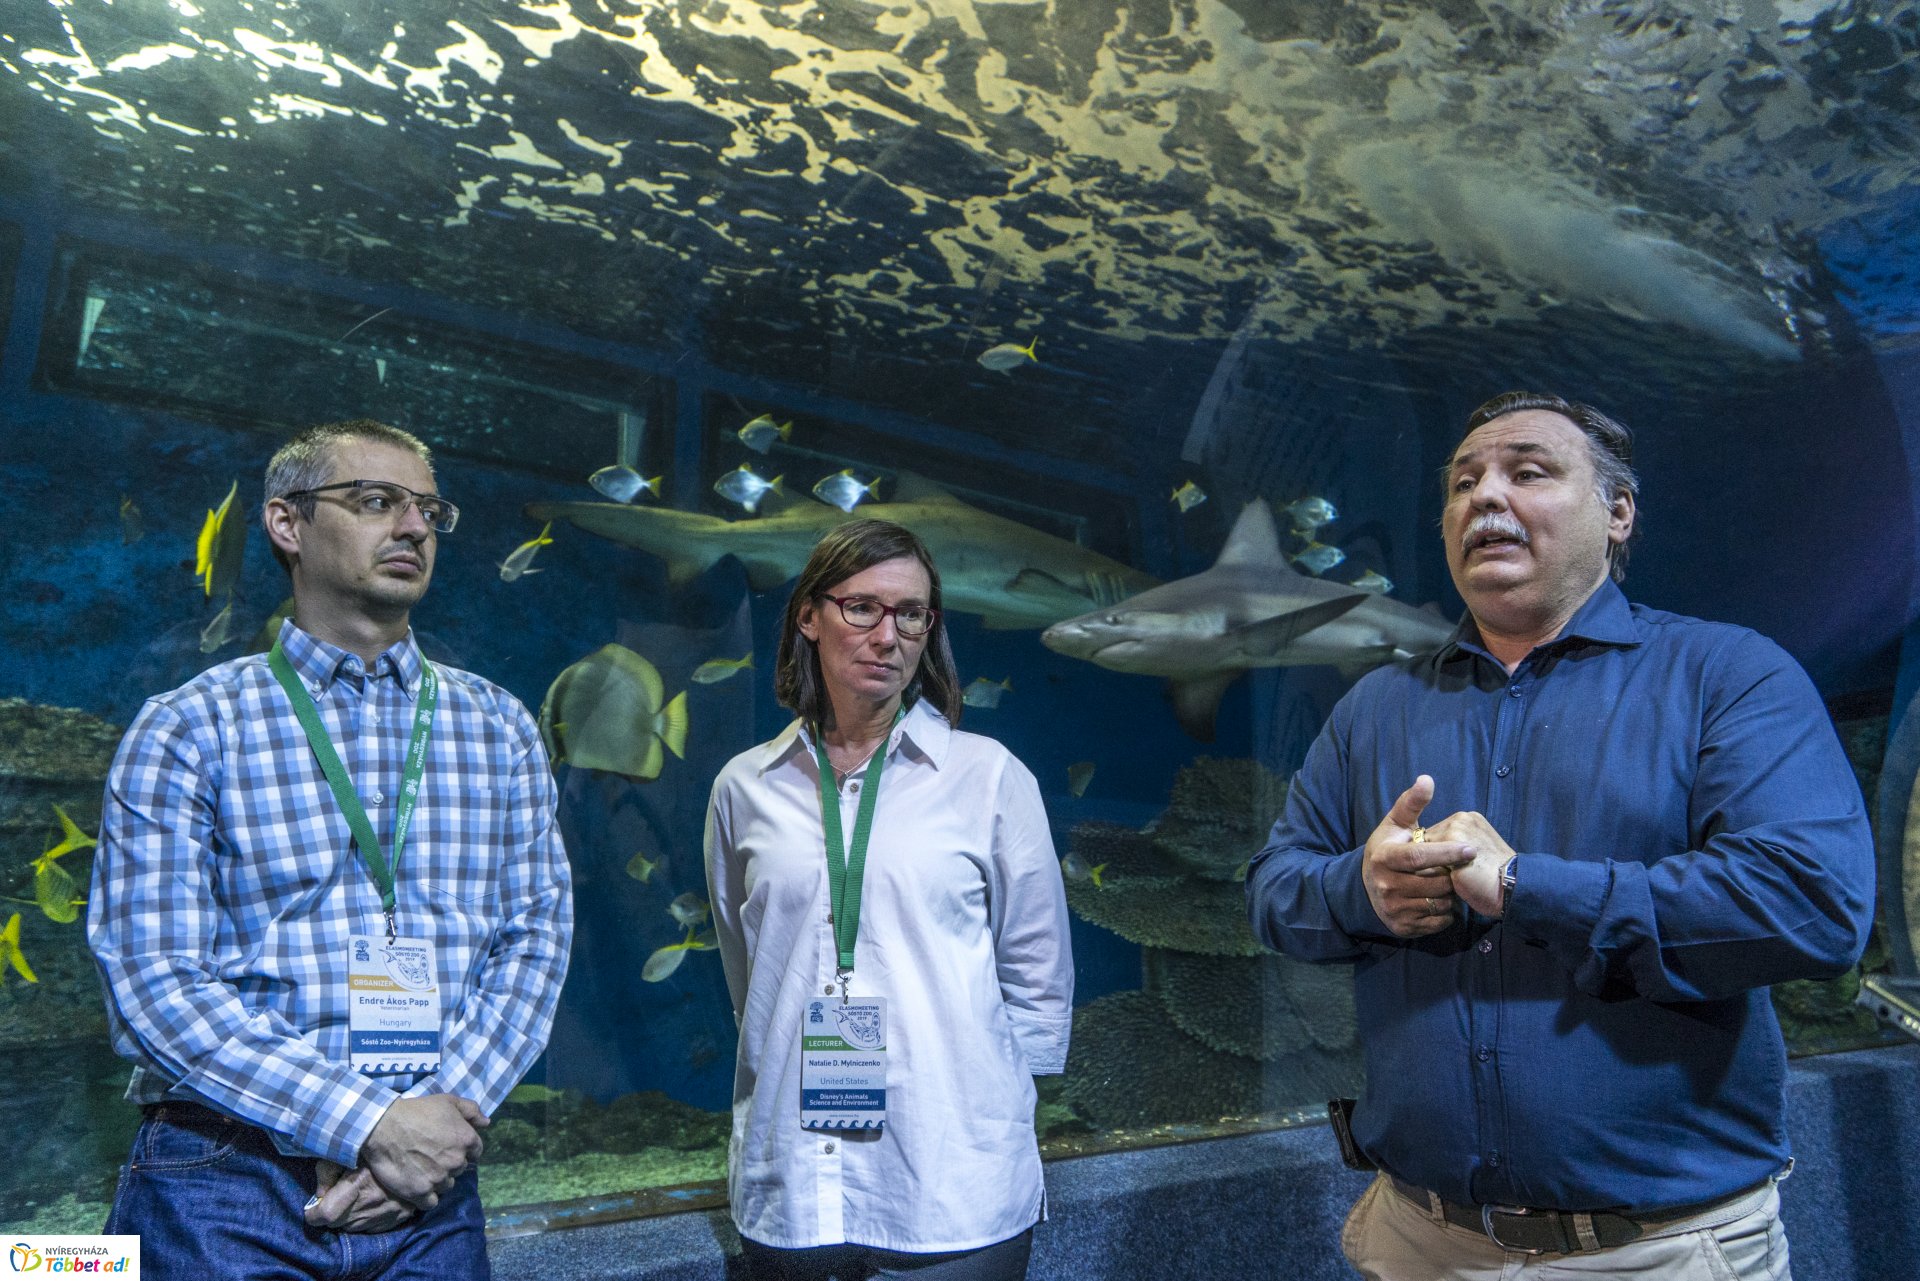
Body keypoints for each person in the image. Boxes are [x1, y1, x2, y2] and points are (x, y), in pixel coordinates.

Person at [1246, 391, 1874, 1279]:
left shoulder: (1728, 675)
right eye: (1463, 482)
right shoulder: (1372, 708)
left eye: (1528, 471)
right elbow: (1273, 886)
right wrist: (1362, 890)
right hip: (1417, 1239)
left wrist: (1525, 887)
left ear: (1618, 513)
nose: (1484, 496)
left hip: (1656, 1251)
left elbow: (1813, 903)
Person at [88, 420, 574, 1279]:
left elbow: (534, 940)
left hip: (428, 1191)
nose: (415, 526)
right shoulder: (189, 727)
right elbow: (153, 981)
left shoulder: (499, 725)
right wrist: (368, 1125)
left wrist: (429, 1131)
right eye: (377, 500)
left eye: (429, 509)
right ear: (287, 523)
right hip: (225, 1177)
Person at [705, 519, 1073, 1281]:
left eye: (911, 614)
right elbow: (750, 975)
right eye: (862, 607)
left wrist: (985, 1105)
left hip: (949, 1180)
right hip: (793, 1182)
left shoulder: (988, 775)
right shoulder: (744, 785)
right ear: (809, 615)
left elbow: (1038, 975)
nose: (887, 635)